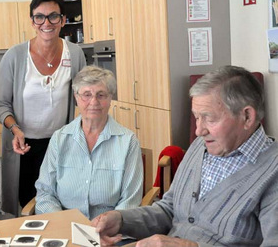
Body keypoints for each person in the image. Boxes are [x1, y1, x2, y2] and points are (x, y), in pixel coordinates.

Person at [91, 65, 278, 247]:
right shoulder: (200, 146)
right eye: (197, 117)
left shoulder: (273, 171)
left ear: (247, 117)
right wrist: (122, 220)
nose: (198, 131)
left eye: (209, 118)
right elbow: (169, 209)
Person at [0, 0, 86, 216]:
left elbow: (84, 97)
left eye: (53, 16)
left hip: (60, 145)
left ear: (63, 20)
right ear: (32, 22)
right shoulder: (14, 56)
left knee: (60, 202)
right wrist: (15, 129)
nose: (47, 23)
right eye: (39, 17)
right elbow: (1, 105)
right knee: (27, 204)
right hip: (23, 146)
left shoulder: (75, 54)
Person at [35, 66, 143, 219]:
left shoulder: (128, 142)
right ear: (76, 97)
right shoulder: (59, 138)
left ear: (110, 98)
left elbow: (130, 200)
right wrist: (64, 223)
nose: (94, 101)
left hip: (110, 231)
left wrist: (107, 226)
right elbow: (45, 193)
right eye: (87, 94)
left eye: (101, 95)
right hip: (66, 227)